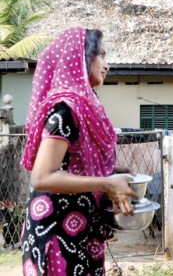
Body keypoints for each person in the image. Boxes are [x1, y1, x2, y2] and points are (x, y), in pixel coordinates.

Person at [20, 26, 138, 276]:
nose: (107, 65)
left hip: (82, 230)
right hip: (57, 232)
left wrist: (116, 173)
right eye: (101, 55)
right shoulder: (65, 111)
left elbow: (73, 165)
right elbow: (42, 177)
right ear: (80, 58)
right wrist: (107, 183)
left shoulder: (86, 107)